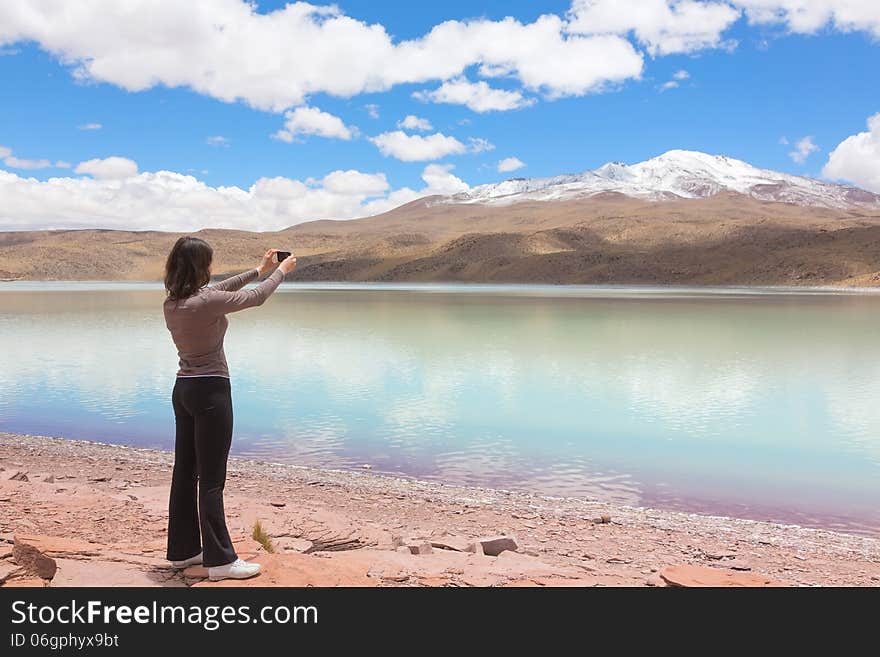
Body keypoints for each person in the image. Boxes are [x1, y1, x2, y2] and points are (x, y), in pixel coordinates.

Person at [162, 236, 297, 581]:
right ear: (199, 266)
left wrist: (257, 269)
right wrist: (280, 271)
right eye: (208, 262)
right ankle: (220, 560)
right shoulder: (206, 302)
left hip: (184, 390)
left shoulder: (175, 302)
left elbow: (221, 290)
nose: (211, 268)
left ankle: (183, 551)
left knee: (184, 472)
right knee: (211, 480)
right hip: (211, 393)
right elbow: (256, 298)